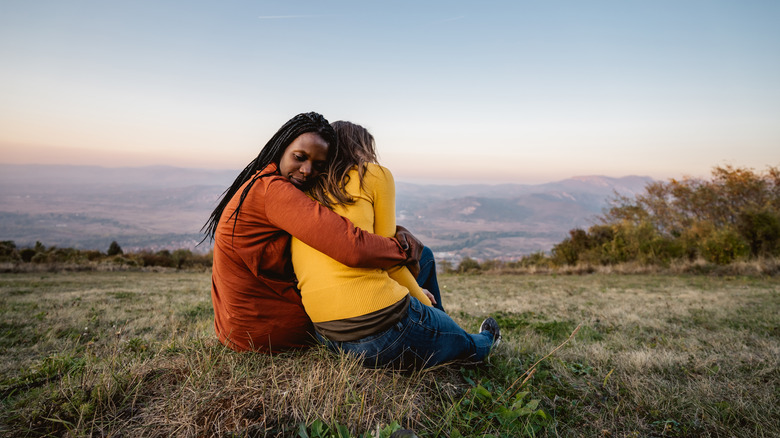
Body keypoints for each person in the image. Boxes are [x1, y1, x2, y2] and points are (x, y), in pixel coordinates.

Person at [202, 112, 422, 353]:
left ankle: (430, 320)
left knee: (423, 257)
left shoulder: (262, 181)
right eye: (299, 157)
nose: (307, 170)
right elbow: (352, 246)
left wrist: (399, 233)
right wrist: (402, 248)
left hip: (236, 328)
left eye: (318, 165)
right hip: (266, 330)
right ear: (282, 146)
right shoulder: (275, 191)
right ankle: (432, 324)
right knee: (423, 257)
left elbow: (333, 224)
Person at [291, 121, 501, 370]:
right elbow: (389, 259)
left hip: (328, 336)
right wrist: (421, 298)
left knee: (426, 257)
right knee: (470, 346)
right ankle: (476, 341)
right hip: (380, 335)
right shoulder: (373, 174)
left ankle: (441, 327)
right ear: (363, 149)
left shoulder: (306, 188)